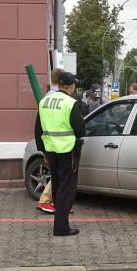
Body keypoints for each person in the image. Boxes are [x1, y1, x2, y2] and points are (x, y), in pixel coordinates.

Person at [35, 72, 85, 236]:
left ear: (58, 85)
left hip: (50, 151)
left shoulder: (44, 101)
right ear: (72, 86)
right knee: (66, 189)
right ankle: (61, 227)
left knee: (57, 186)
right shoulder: (71, 103)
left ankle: (60, 223)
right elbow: (80, 129)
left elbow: (38, 129)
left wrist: (43, 150)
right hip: (67, 151)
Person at [37, 68, 66, 214]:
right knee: (59, 175)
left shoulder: (47, 97)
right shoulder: (58, 98)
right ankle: (45, 200)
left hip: (50, 144)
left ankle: (56, 202)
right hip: (58, 145)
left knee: (58, 175)